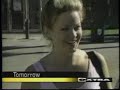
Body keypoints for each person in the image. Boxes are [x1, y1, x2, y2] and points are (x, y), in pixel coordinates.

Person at [21, 0, 112, 89]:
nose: (73, 35)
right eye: (65, 29)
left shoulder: (95, 62)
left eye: (77, 27)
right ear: (47, 31)